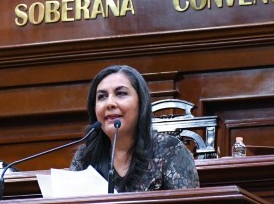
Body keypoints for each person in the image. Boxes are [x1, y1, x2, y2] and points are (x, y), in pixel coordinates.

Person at [70, 64, 199, 192]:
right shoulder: (85, 156)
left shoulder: (170, 150)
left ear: (141, 103)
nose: (109, 103)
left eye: (121, 93)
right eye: (102, 96)